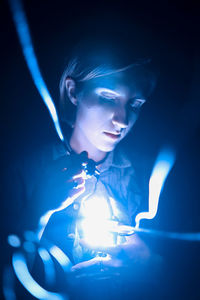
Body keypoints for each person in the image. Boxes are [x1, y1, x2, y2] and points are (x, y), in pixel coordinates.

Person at [36, 42, 158, 299]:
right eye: (108, 98)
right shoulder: (28, 169)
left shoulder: (148, 179)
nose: (122, 120)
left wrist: (150, 267)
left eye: (134, 105)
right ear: (73, 91)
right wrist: (38, 211)